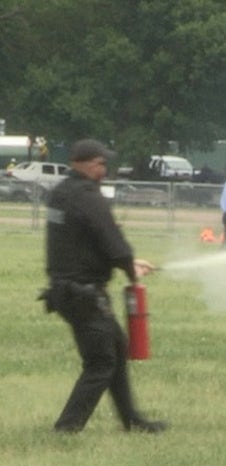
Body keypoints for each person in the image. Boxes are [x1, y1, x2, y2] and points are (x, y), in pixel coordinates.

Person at [42, 139, 166, 433]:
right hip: (83, 293)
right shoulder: (88, 197)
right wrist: (130, 267)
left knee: (116, 347)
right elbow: (112, 241)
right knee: (100, 362)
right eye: (100, 164)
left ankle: (132, 420)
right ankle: (67, 427)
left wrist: (128, 264)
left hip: (65, 290)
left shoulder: (61, 194)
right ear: (83, 164)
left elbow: (84, 242)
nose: (104, 169)